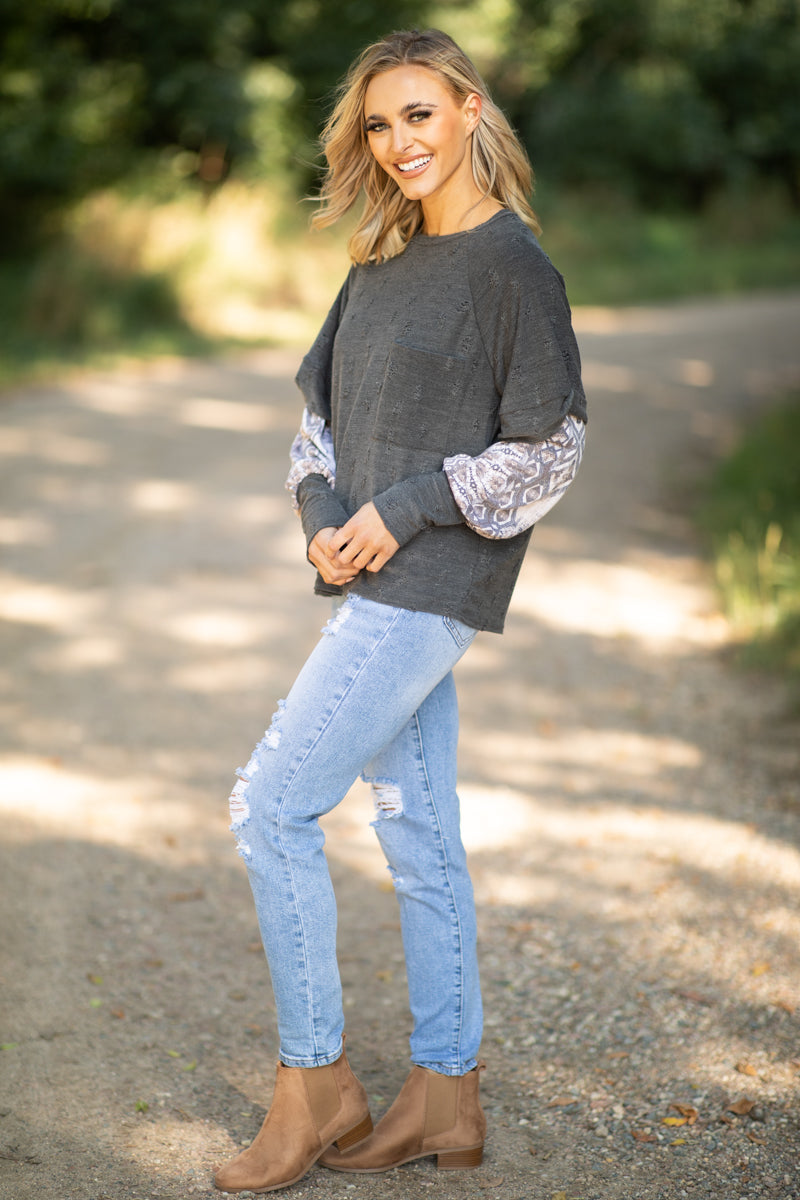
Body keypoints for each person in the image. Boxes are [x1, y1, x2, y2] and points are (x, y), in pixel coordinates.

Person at [213, 27, 586, 1195]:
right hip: (370, 576)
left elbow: (549, 448)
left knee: (268, 805)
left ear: (469, 109)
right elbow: (318, 420)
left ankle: (314, 1082)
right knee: (416, 830)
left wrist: (406, 505)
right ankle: (443, 1094)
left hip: (431, 586)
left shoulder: (513, 269)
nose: (397, 141)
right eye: (378, 124)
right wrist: (321, 512)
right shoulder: (378, 258)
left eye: (418, 114)